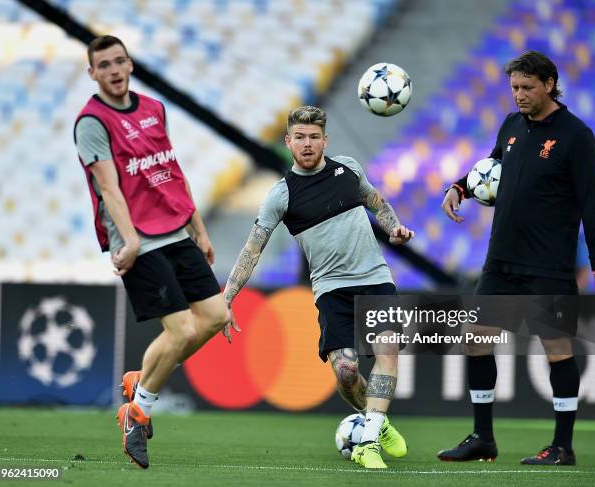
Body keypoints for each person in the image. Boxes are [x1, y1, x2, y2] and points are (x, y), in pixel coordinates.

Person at [222, 106, 414, 469]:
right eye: (300, 137)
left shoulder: (348, 169)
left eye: (314, 137)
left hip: (375, 277)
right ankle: (379, 420)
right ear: (288, 142)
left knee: (387, 350)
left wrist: (394, 228)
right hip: (331, 288)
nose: (307, 144)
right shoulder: (282, 195)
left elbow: (377, 202)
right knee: (346, 373)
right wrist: (227, 298)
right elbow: (252, 249)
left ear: (325, 139)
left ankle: (367, 441)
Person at [440, 50, 595, 466]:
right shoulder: (512, 126)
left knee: (557, 350)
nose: (518, 95)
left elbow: (591, 205)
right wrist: (459, 186)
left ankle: (562, 447)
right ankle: (482, 437)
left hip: (548, 264)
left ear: (549, 84)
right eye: (514, 87)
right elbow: (492, 166)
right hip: (501, 261)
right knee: (476, 341)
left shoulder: (575, 135)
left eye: (526, 87)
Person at [74, 35, 231, 469]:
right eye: (104, 65)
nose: (114, 70)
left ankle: (142, 382)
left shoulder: (153, 108)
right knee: (180, 331)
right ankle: (138, 413)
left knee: (217, 317)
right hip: (138, 237)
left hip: (176, 229)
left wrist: (197, 226)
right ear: (93, 74)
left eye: (120, 61)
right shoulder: (92, 122)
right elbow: (108, 186)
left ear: (130, 64)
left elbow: (170, 169)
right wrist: (131, 240)